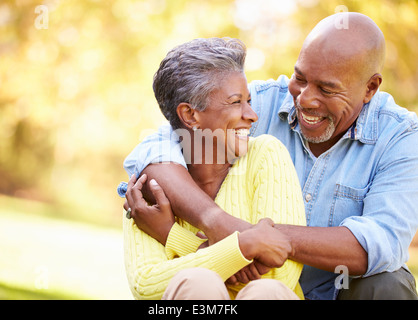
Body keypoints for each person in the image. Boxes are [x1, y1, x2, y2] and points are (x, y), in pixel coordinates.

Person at [120, 12, 418, 300]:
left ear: (370, 88)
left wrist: (248, 240)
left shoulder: (401, 137)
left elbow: (379, 244)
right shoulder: (258, 102)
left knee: (389, 284)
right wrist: (217, 222)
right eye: (300, 78)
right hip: (248, 290)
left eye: (327, 89)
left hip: (335, 291)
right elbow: (158, 147)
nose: (304, 99)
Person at [121, 37, 307, 300]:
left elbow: (281, 276)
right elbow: (146, 284)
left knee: (266, 291)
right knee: (197, 284)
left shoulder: (266, 154)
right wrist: (244, 246)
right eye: (235, 102)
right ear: (190, 116)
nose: (252, 115)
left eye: (249, 101)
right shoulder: (148, 189)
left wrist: (173, 236)